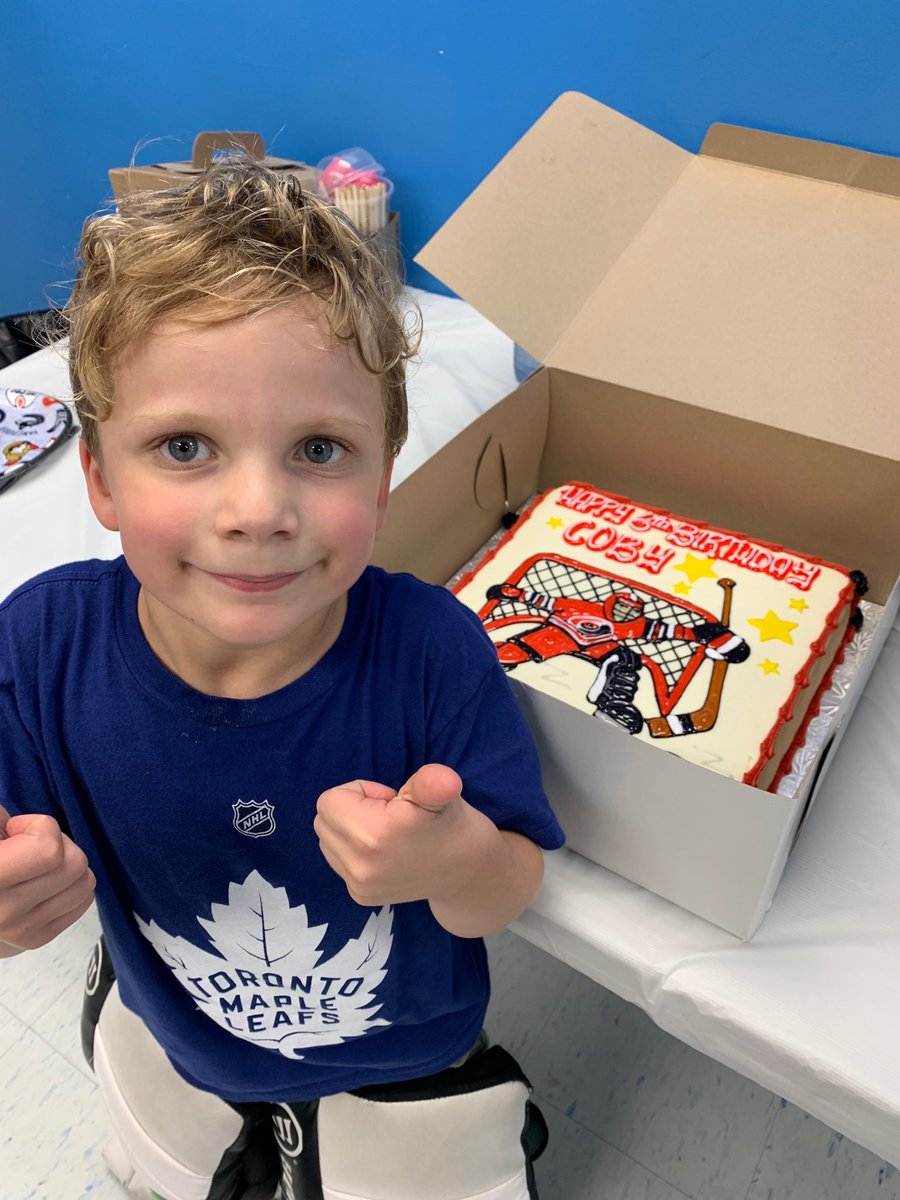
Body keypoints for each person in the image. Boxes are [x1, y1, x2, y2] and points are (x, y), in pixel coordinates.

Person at [0, 161, 565, 1199]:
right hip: (187, 1033)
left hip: (411, 1048)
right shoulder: (38, 649)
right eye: (184, 446)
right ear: (100, 478)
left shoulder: (432, 648)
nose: (258, 509)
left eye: (318, 448)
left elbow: (509, 888)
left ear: (384, 478)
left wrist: (455, 858)